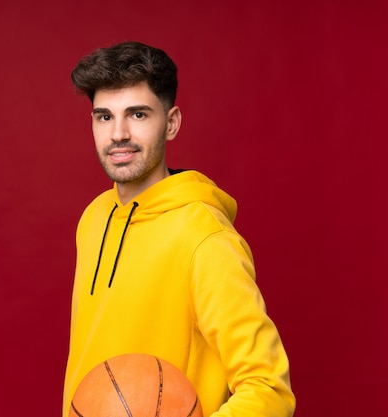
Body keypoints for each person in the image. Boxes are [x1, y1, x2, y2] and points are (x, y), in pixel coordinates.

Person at [62, 41, 295, 417]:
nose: (118, 133)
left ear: (171, 124)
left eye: (138, 115)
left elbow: (269, 389)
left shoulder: (205, 238)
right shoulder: (94, 218)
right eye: (104, 117)